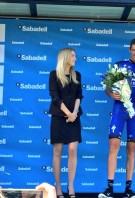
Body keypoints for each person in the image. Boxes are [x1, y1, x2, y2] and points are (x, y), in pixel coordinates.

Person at [98, 38, 135, 198]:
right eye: (133, 50)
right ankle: (109, 188)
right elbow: (107, 87)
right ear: (129, 50)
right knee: (113, 145)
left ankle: (128, 189)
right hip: (119, 108)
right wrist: (111, 94)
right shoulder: (119, 65)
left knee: (132, 149)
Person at [49, 48, 83, 198]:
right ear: (65, 57)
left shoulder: (77, 75)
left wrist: (74, 112)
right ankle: (58, 187)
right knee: (57, 151)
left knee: (72, 150)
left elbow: (78, 96)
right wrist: (67, 113)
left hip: (74, 117)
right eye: (73, 56)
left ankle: (71, 186)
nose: (75, 58)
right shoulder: (53, 75)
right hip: (59, 117)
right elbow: (55, 97)